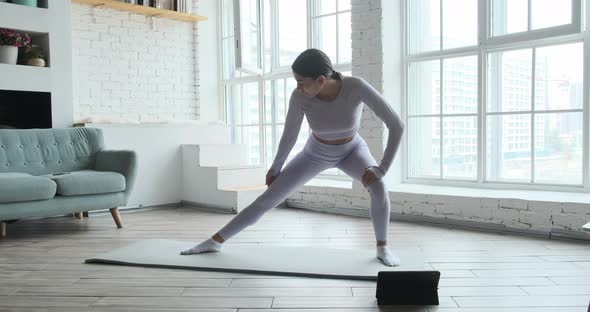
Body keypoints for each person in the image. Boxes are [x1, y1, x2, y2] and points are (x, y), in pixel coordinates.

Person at [181, 48, 405, 267]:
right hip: (315, 153)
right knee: (268, 198)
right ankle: (215, 242)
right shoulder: (299, 98)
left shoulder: (355, 87)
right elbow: (290, 134)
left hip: (352, 151)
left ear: (320, 80)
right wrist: (275, 167)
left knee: (378, 186)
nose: (298, 87)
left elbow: (396, 125)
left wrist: (381, 169)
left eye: (301, 82)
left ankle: (382, 248)